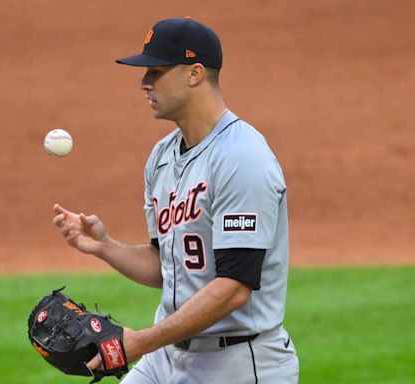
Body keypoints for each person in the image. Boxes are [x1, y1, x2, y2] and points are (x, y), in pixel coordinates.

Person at [53, 17, 299, 384]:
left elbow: (233, 288)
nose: (144, 83)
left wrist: (141, 342)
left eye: (156, 71)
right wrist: (105, 246)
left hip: (236, 363)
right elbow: (170, 268)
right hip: (168, 356)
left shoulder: (242, 158)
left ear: (195, 73)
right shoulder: (162, 157)